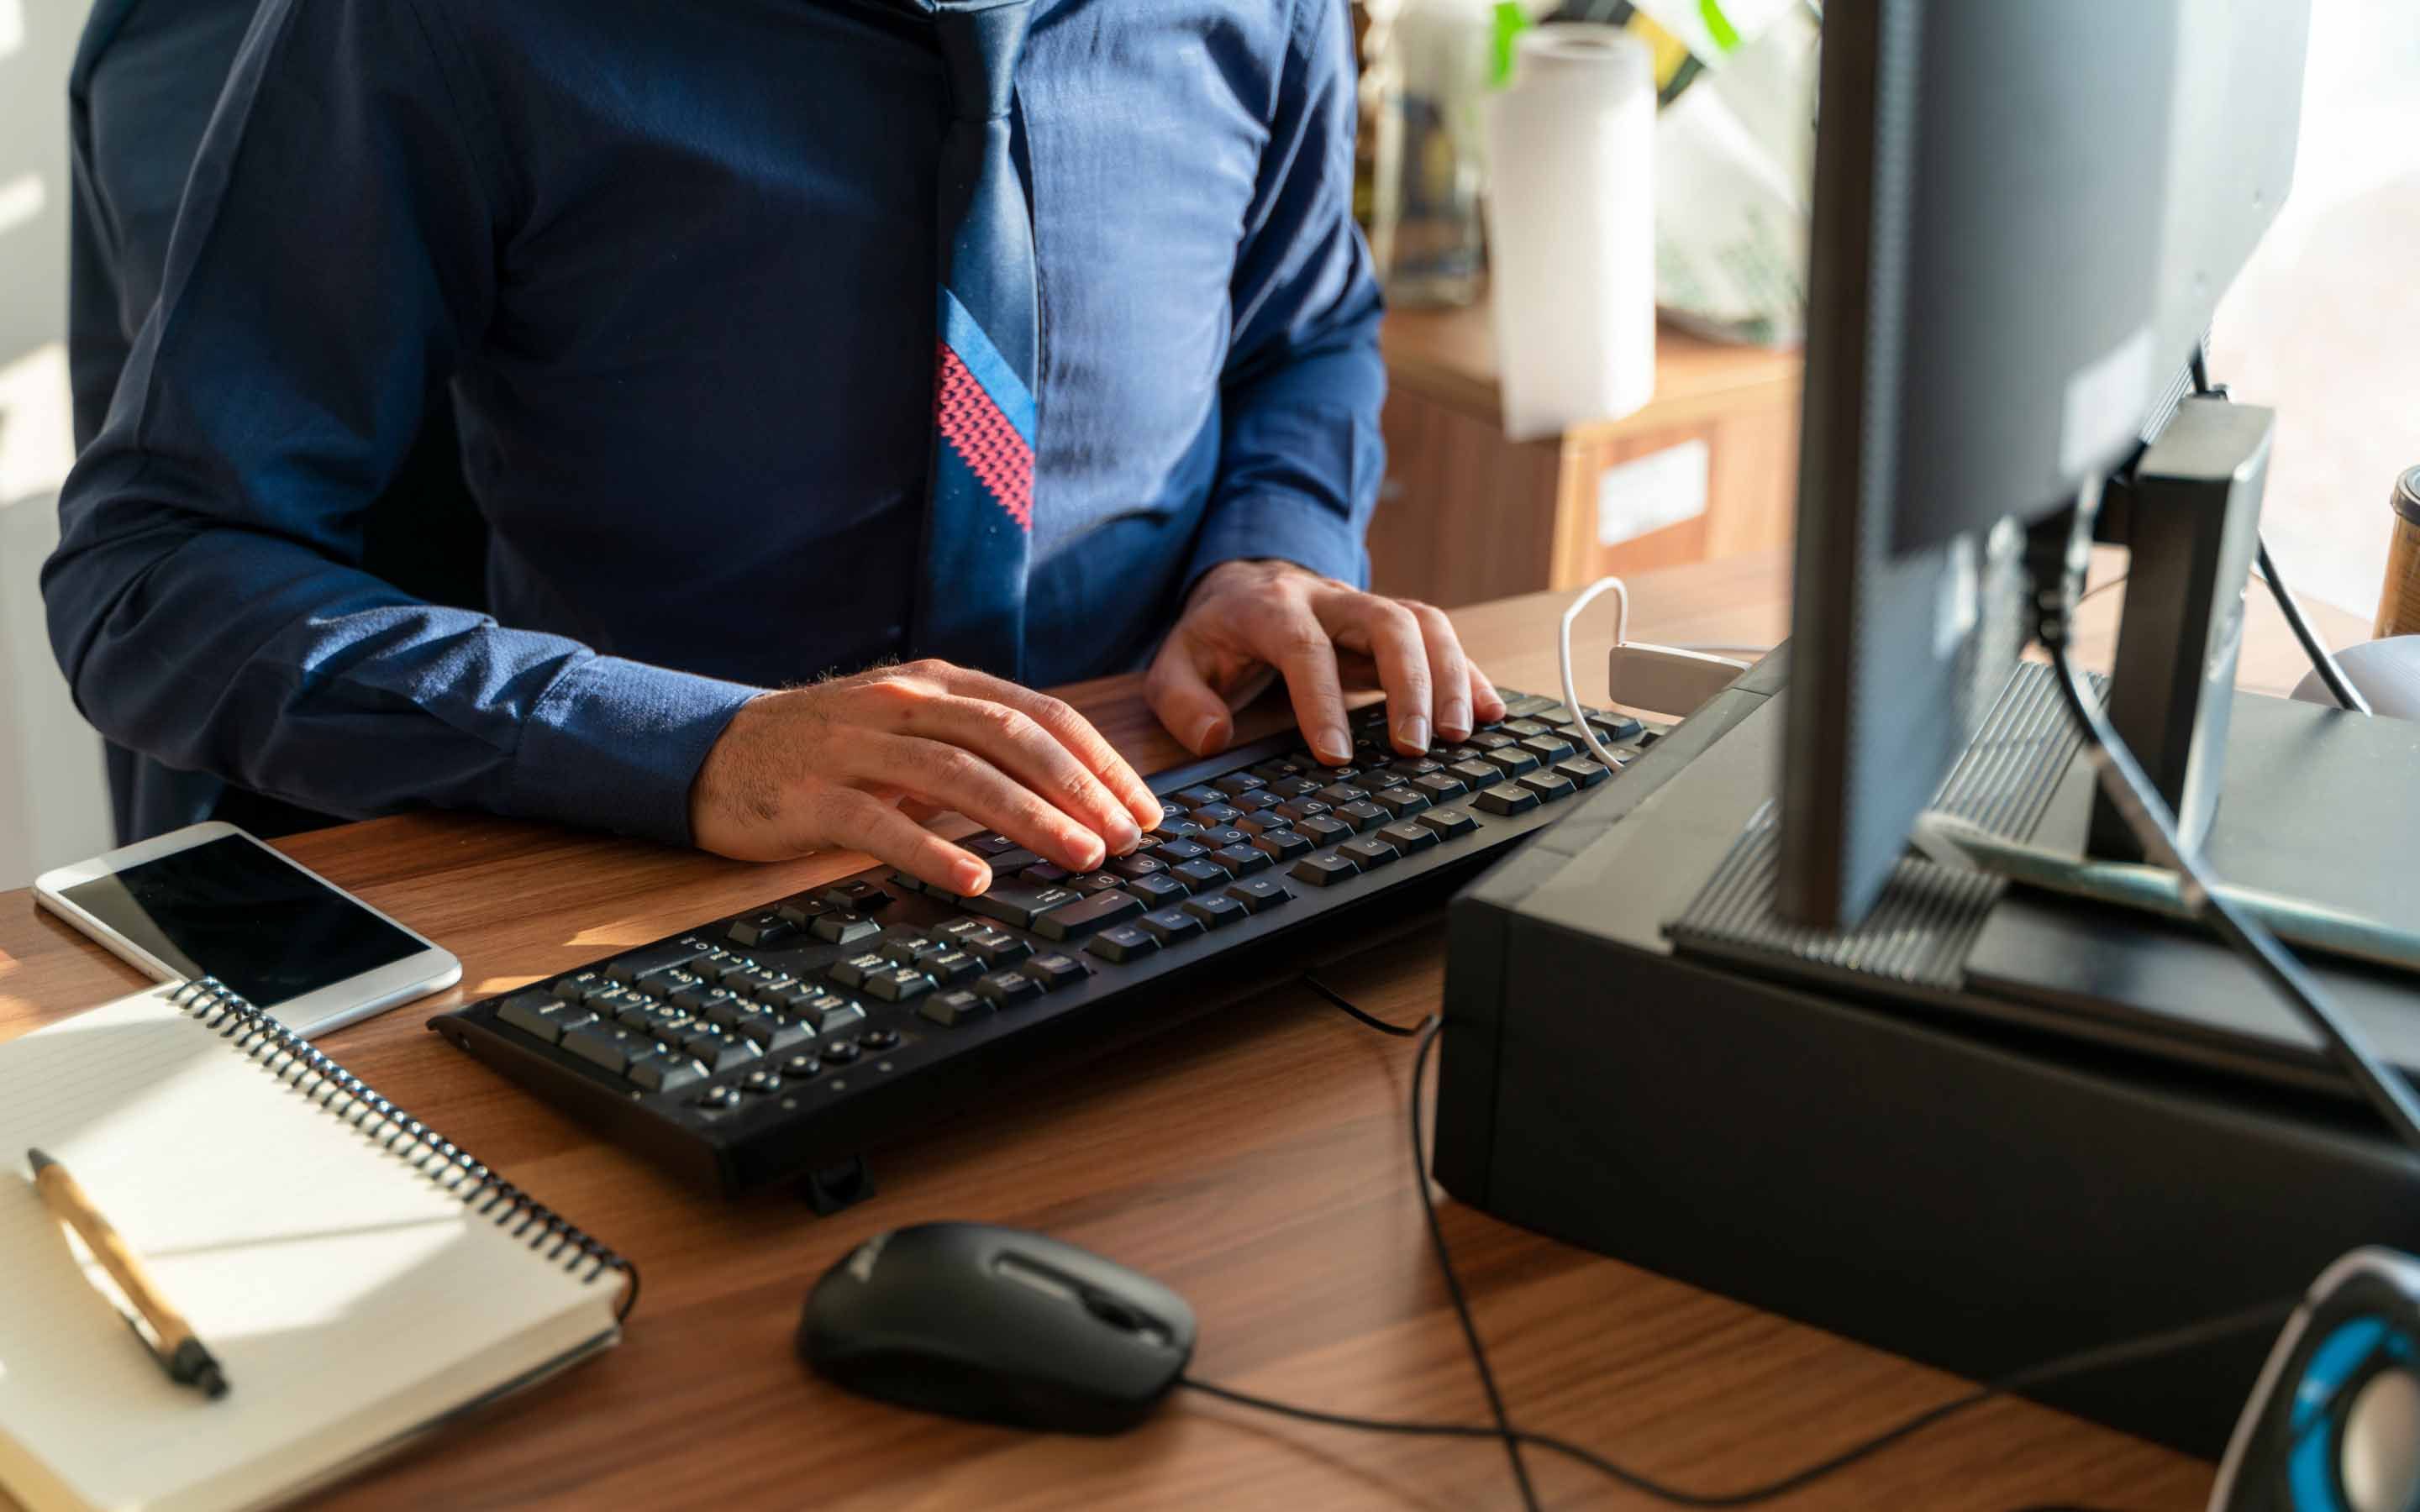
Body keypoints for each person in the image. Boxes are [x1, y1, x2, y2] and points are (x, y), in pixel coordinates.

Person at [47, 0, 1502, 896]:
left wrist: (1276, 547)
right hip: (669, 902)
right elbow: (155, 575)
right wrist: (700, 752)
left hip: (1172, 845)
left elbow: (1303, 329)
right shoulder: (450, 21)